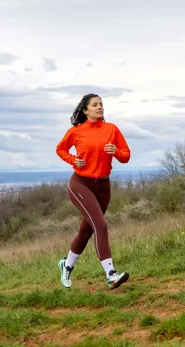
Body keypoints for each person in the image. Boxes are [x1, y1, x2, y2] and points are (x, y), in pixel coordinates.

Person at [55, 93, 131, 290]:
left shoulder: (112, 129)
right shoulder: (76, 131)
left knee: (86, 231)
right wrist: (73, 160)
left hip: (103, 186)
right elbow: (61, 149)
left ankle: (67, 265)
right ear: (85, 110)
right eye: (95, 105)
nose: (100, 107)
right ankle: (111, 274)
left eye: (101, 104)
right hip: (81, 184)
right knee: (101, 225)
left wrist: (115, 151)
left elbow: (126, 156)